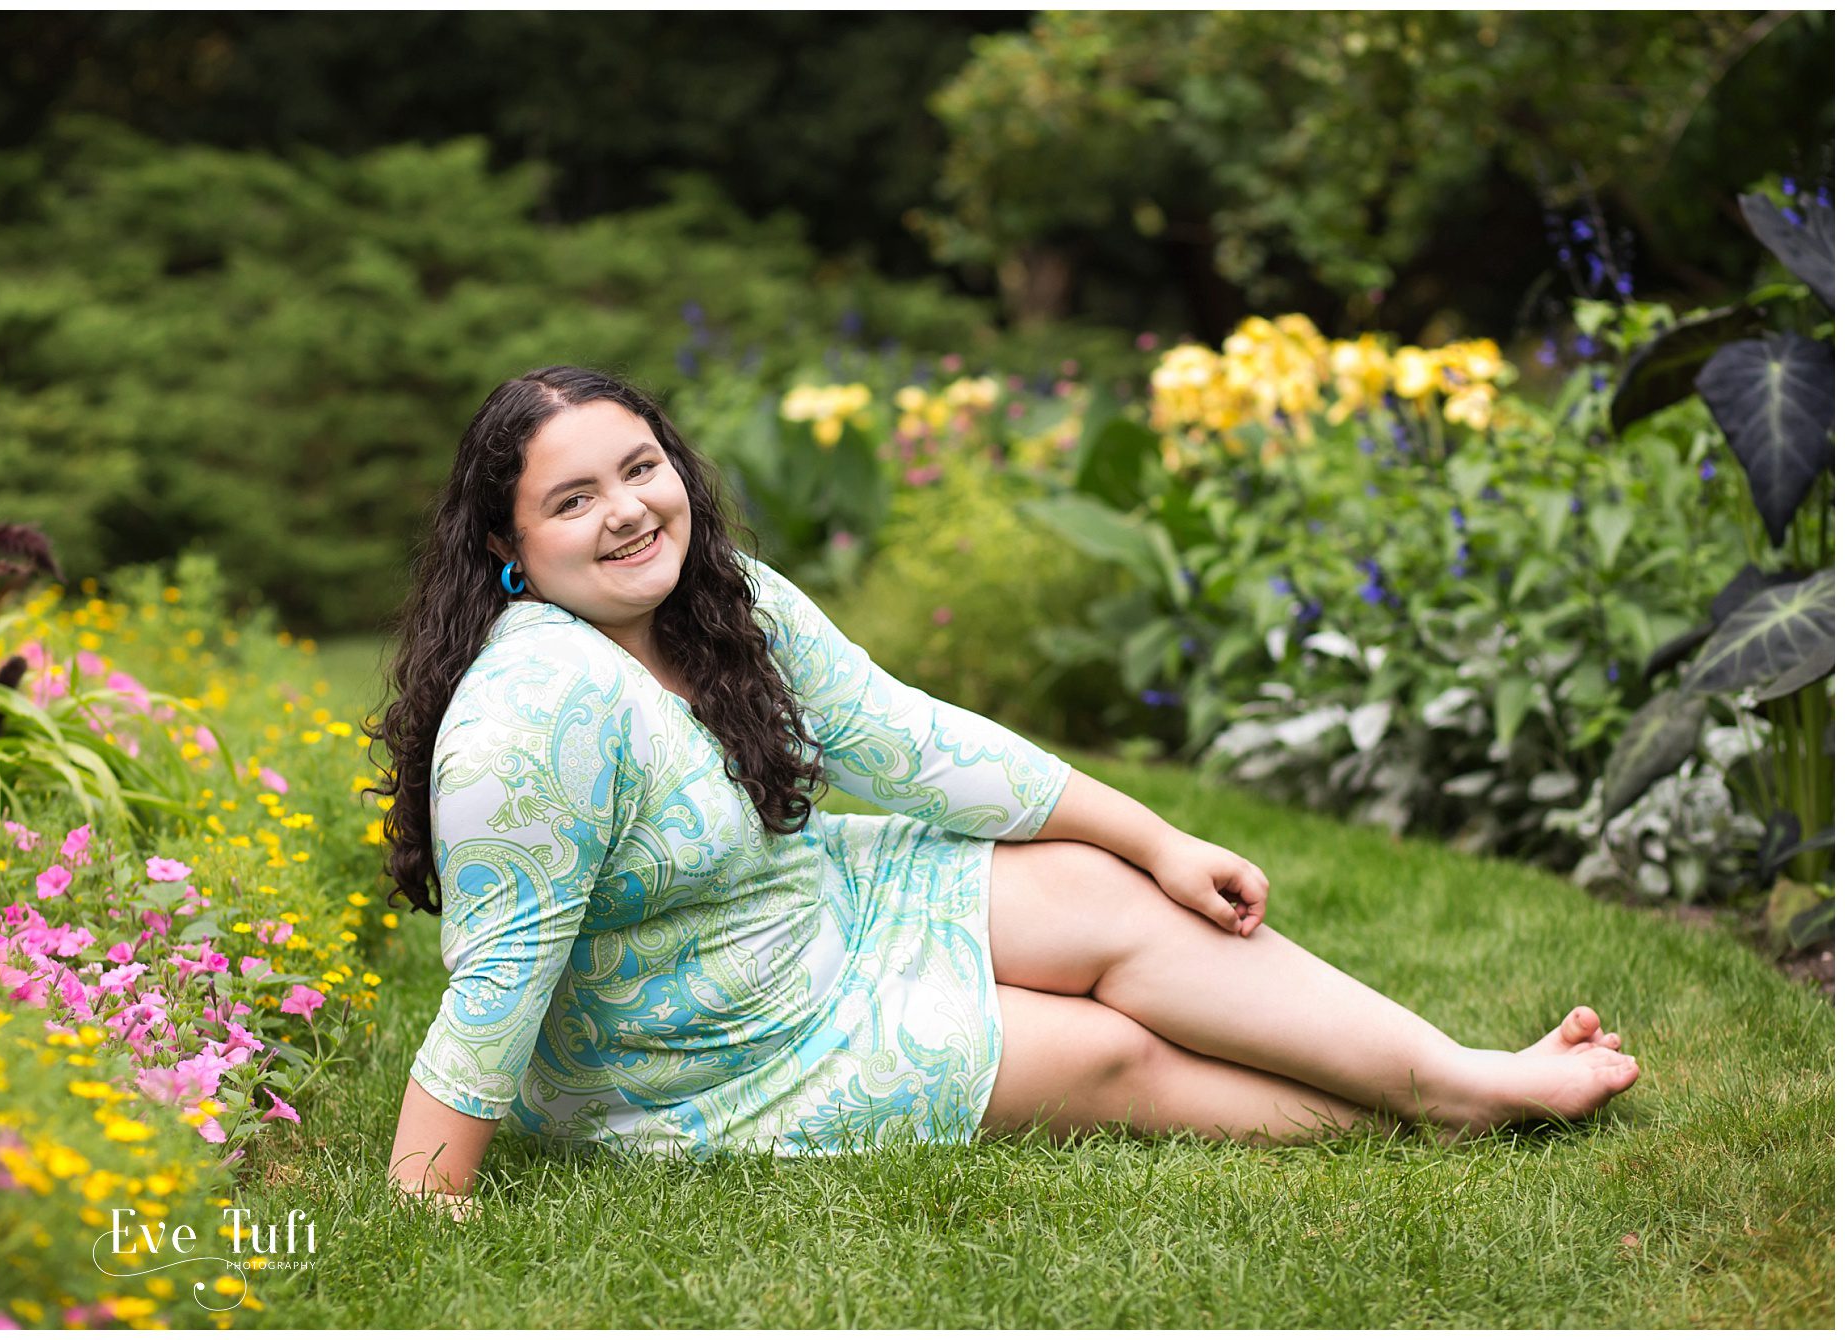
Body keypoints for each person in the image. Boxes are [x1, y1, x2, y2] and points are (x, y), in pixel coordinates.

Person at [375, 366, 1639, 1215]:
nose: (628, 511)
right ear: (505, 544)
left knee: (1103, 889)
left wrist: (1158, 835)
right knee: (1102, 1051)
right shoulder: (527, 720)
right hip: (697, 1061)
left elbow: (907, 740)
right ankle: (1430, 1117)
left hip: (808, 911)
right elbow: (497, 978)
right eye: (571, 499)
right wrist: (425, 1203)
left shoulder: (722, 599)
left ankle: (1456, 1075)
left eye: (639, 468)